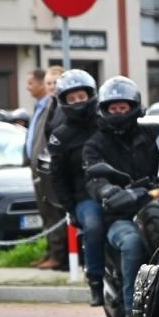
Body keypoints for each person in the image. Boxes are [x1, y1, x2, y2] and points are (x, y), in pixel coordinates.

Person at [81, 75, 159, 317]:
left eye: (123, 108)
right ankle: (132, 310)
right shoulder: (95, 144)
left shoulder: (154, 133)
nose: (118, 113)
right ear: (104, 110)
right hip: (121, 215)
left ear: (134, 107)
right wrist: (107, 190)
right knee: (132, 242)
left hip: (158, 204)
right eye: (113, 109)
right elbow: (93, 177)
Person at [45, 69, 103, 304]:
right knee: (94, 225)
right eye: (72, 98)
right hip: (85, 197)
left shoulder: (106, 124)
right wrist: (70, 208)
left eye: (81, 97)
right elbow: (58, 177)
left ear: (91, 95)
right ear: (64, 102)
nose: (78, 102)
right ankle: (95, 281)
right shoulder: (61, 136)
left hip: (118, 190)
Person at [27, 66, 68, 270]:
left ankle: (59, 255)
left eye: (55, 83)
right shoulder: (45, 105)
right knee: (45, 212)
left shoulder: (60, 107)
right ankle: (52, 251)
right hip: (39, 166)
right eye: (49, 83)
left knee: (54, 212)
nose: (52, 87)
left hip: (50, 166)